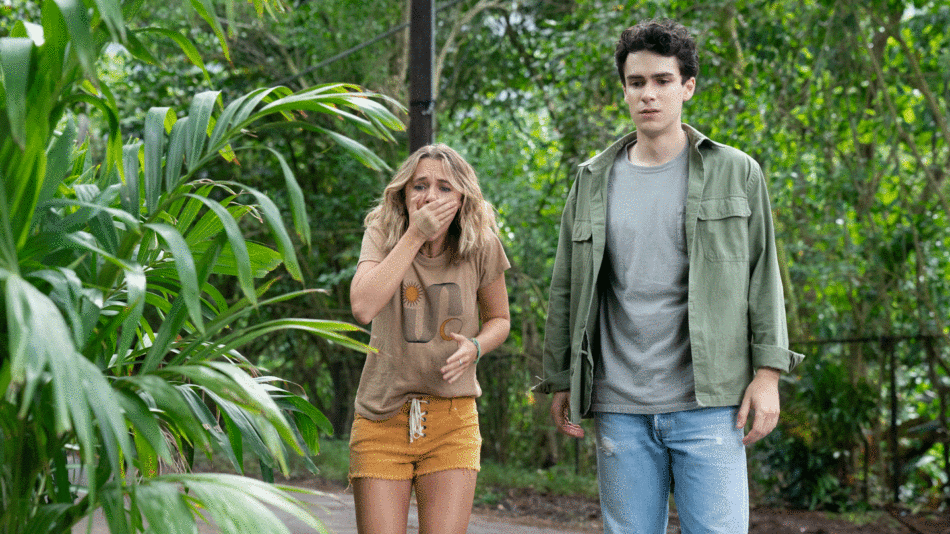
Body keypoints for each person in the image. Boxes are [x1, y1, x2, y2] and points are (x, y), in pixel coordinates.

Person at [533, 18, 804, 534]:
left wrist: (767, 376)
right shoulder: (592, 180)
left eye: (661, 81)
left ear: (688, 87)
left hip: (710, 403)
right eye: (636, 83)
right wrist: (564, 376)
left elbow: (762, 275)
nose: (648, 95)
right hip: (621, 406)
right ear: (625, 91)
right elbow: (567, 284)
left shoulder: (736, 171)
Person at [348, 144, 510, 534]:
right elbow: (363, 307)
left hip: (452, 420)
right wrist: (414, 237)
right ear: (404, 194)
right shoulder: (382, 233)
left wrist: (475, 346)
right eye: (420, 186)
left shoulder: (480, 244)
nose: (430, 197)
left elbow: (500, 320)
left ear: (462, 199)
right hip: (381, 418)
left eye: (444, 188)